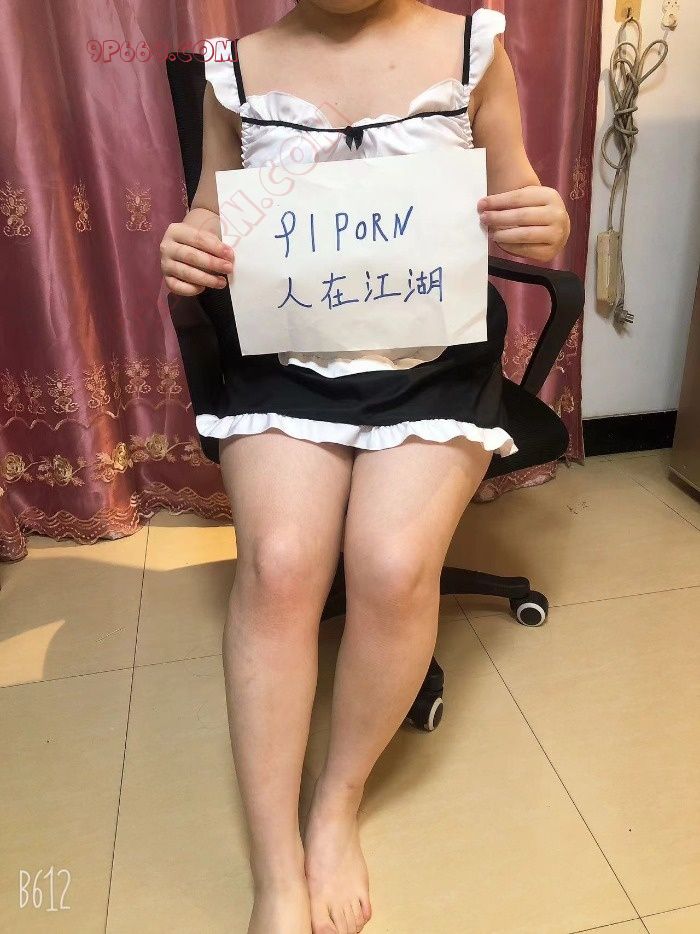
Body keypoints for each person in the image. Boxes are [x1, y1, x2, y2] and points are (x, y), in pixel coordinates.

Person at [160, 2, 570, 931]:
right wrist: (192, 241)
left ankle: (335, 805)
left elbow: (523, 201)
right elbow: (217, 212)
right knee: (280, 566)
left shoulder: (472, 50)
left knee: (390, 565)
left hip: (433, 357)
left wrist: (542, 219)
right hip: (287, 356)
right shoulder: (238, 70)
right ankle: (275, 867)